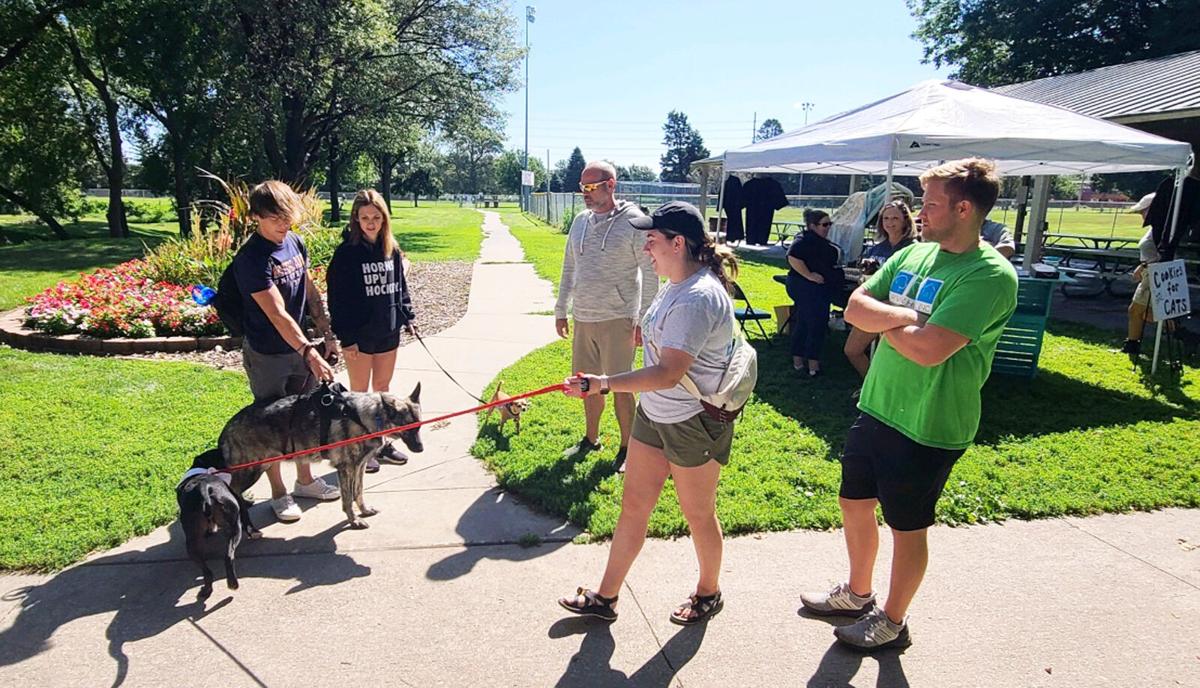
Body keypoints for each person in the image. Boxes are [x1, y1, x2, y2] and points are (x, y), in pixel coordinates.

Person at [800, 158, 1017, 651]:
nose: (921, 212)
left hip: (930, 422)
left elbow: (930, 350)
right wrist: (911, 317)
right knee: (853, 502)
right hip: (877, 405)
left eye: (932, 203)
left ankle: (892, 621)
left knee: (906, 525)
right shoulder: (914, 255)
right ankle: (857, 594)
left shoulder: (989, 276)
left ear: (964, 209)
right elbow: (856, 307)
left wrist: (889, 324)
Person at [557, 201, 738, 626]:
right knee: (633, 507)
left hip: (692, 423)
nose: (646, 250)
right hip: (655, 417)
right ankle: (606, 597)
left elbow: (669, 372)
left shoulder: (698, 297)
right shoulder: (675, 283)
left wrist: (603, 383)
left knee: (698, 513)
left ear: (678, 243)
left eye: (652, 241)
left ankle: (709, 591)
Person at [234, 180, 341, 522]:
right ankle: (279, 494)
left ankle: (305, 481)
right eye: (275, 219)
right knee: (271, 423)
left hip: (301, 347)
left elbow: (309, 290)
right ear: (255, 217)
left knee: (304, 417)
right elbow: (277, 313)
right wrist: (310, 353)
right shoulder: (251, 259)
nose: (284, 226)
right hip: (268, 354)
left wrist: (326, 333)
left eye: (287, 218)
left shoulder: (293, 241)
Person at [554, 161, 658, 472]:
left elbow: (651, 273)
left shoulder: (634, 222)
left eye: (591, 187)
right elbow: (569, 267)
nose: (584, 193)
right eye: (581, 188)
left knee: (621, 387)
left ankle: (628, 448)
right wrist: (562, 309)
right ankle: (591, 438)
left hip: (619, 318)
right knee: (586, 384)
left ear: (610, 185)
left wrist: (643, 319)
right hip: (584, 317)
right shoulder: (580, 222)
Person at [327, 189, 417, 471]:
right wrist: (347, 337)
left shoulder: (391, 249)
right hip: (358, 337)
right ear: (356, 218)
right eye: (364, 217)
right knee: (359, 395)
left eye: (376, 217)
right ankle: (359, 448)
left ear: (384, 218)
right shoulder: (346, 254)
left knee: (382, 391)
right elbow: (337, 299)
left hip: (387, 332)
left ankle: (379, 444)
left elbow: (400, 288)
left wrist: (409, 317)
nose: (370, 222)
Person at [844, 200, 918, 389]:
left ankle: (886, 391)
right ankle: (872, 386)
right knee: (852, 350)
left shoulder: (914, 249)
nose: (889, 222)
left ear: (905, 220)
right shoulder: (876, 248)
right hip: (872, 307)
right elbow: (864, 278)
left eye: (895, 218)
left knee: (888, 356)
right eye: (885, 218)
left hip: (898, 310)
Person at [785, 209, 842, 377]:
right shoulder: (805, 240)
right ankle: (812, 365)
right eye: (824, 224)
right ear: (812, 226)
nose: (827, 227)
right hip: (808, 289)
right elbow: (792, 257)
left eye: (829, 224)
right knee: (815, 324)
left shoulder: (820, 242)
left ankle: (800, 361)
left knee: (804, 321)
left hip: (815, 289)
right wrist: (809, 275)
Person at [1121, 193, 1158, 356]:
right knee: (1142, 312)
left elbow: (1160, 256)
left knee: (1136, 310)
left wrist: (1144, 266)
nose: (1141, 215)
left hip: (1154, 275)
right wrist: (1141, 266)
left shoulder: (1161, 230)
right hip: (1148, 272)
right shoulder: (1154, 229)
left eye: (1143, 211)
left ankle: (1132, 344)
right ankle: (1178, 331)